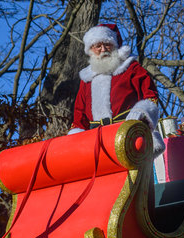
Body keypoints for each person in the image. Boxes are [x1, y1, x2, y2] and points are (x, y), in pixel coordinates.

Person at [69, 24, 165, 157]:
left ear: (115, 45)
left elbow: (150, 95)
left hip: (128, 134)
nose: (103, 50)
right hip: (95, 142)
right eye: (98, 46)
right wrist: (76, 140)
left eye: (107, 44)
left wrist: (141, 112)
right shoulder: (86, 80)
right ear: (91, 50)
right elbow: (79, 116)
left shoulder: (131, 68)